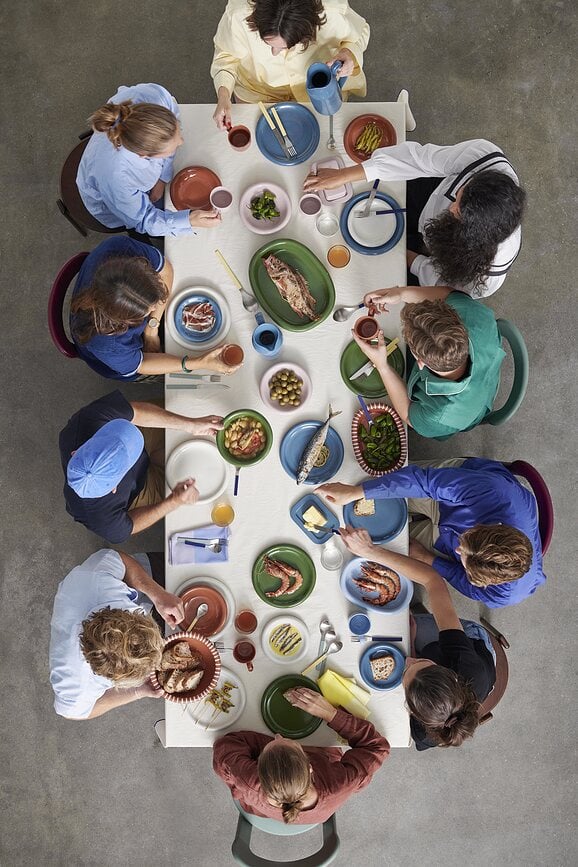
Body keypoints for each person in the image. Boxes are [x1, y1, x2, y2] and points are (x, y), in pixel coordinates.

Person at [304, 139, 526, 298]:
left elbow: (444, 288)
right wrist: (343, 176)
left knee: (373, 278)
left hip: (440, 260)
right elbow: (418, 160)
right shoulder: (484, 158)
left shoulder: (486, 277)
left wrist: (406, 257)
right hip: (431, 196)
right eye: (459, 196)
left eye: (457, 211)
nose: (450, 208)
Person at [339, 527, 496, 751]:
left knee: (401, 626)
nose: (408, 661)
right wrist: (369, 551)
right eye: (420, 662)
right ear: (449, 673)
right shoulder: (464, 662)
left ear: (412, 709)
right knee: (405, 622)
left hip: (454, 675)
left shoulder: (425, 731)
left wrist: (412, 646)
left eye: (406, 675)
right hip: (473, 643)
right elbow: (433, 581)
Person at [316, 457, 546, 607]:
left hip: (447, 532)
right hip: (457, 492)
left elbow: (464, 582)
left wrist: (430, 559)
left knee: (388, 545)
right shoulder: (492, 492)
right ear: (489, 526)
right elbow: (423, 482)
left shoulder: (505, 594)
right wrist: (358, 492)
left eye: (462, 558)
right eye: (464, 541)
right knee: (376, 481)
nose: (457, 549)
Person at [69, 236, 244, 380]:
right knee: (176, 381)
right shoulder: (106, 342)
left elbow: (165, 270)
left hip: (134, 330)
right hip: (123, 361)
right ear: (126, 320)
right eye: (148, 309)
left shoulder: (117, 248)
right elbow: (142, 365)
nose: (156, 306)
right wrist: (199, 363)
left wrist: (152, 329)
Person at [59, 390, 223, 543]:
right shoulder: (102, 520)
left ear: (77, 451)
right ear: (114, 488)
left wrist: (190, 424)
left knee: (184, 408)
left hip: (134, 430)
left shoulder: (85, 422)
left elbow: (135, 412)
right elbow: (131, 525)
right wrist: (174, 500)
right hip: (139, 491)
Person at [213, 688, 389, 823]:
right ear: (310, 766)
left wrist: (268, 747)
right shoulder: (339, 785)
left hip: (263, 811)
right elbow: (377, 747)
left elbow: (223, 747)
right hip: (316, 811)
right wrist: (330, 714)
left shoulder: (250, 781)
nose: (278, 735)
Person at [350, 288, 505, 439]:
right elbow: (448, 294)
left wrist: (383, 367)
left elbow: (407, 415)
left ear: (420, 362)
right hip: (487, 373)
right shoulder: (475, 315)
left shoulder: (438, 415)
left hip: (466, 413)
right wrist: (400, 293)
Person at [49, 549, 182, 720]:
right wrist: (137, 692)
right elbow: (75, 713)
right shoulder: (73, 683)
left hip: (137, 589)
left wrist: (157, 593)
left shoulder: (94, 578)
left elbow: (121, 560)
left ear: (129, 614)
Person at [77, 82, 221, 236]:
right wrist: (189, 220)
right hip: (109, 199)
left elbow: (173, 111)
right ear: (145, 156)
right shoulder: (118, 180)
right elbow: (144, 220)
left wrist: (162, 177)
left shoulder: (154, 97)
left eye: (177, 131)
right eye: (172, 147)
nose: (181, 141)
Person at [211, 0, 370, 128]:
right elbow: (225, 55)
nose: (274, 53)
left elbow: (361, 33)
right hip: (257, 92)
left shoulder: (333, 9)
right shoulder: (238, 13)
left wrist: (348, 54)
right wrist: (224, 95)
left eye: (284, 47)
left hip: (317, 91)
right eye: (268, 44)